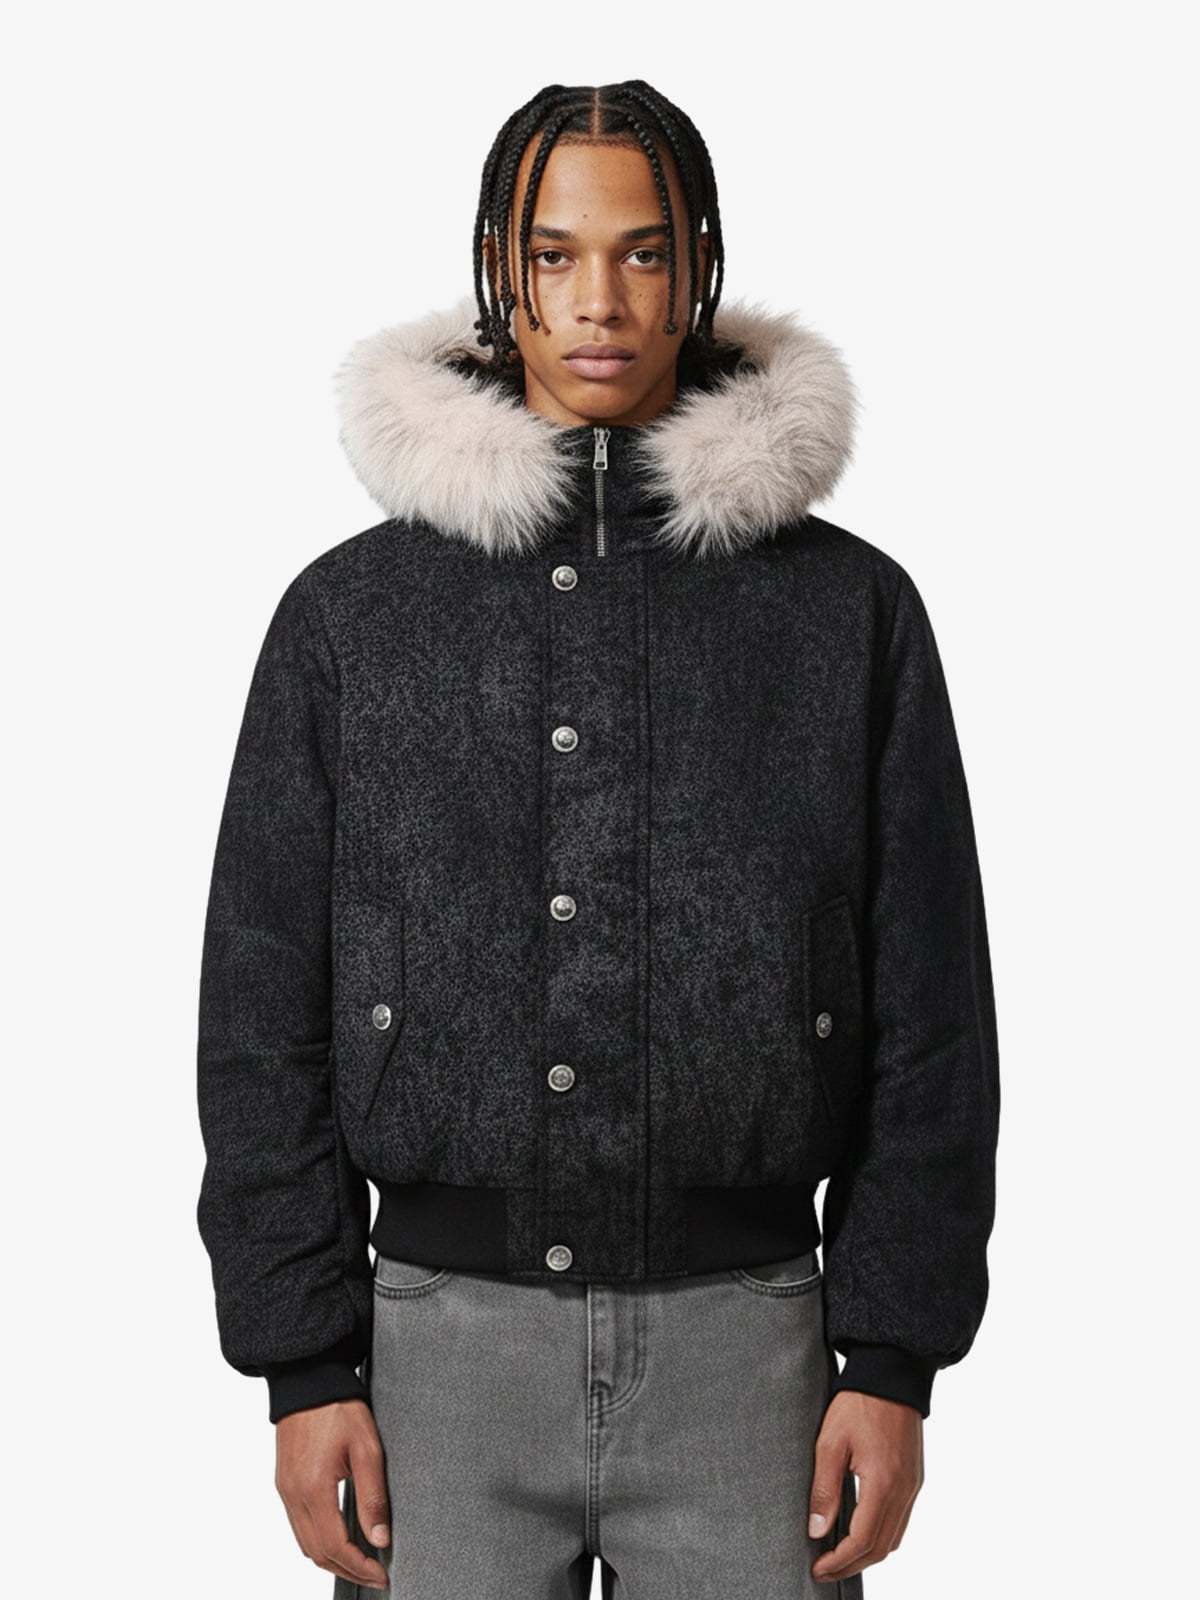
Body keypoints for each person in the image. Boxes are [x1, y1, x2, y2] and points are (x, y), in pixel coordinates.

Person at [196, 78, 1000, 1598]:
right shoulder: (355, 617)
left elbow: (933, 1015)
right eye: (553, 255)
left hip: (754, 1356)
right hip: (432, 1362)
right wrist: (302, 1363)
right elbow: (260, 1009)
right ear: (499, 271)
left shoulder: (844, 612)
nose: (599, 303)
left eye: (642, 252)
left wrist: (894, 1355)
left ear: (698, 266)